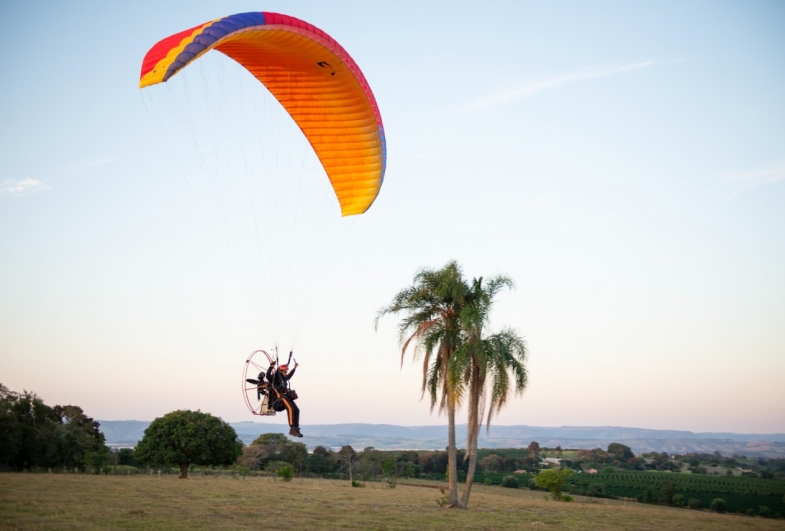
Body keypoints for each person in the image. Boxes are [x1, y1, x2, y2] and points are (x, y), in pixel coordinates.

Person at [267, 361, 302, 437]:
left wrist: (294, 368)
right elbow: (268, 377)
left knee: (296, 410)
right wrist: (271, 367)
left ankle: (296, 428)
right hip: (278, 401)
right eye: (285, 372)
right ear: (281, 371)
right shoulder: (275, 378)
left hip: (285, 397)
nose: (286, 373)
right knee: (290, 409)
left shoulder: (284, 378)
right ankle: (292, 428)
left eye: (286, 372)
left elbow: (289, 376)